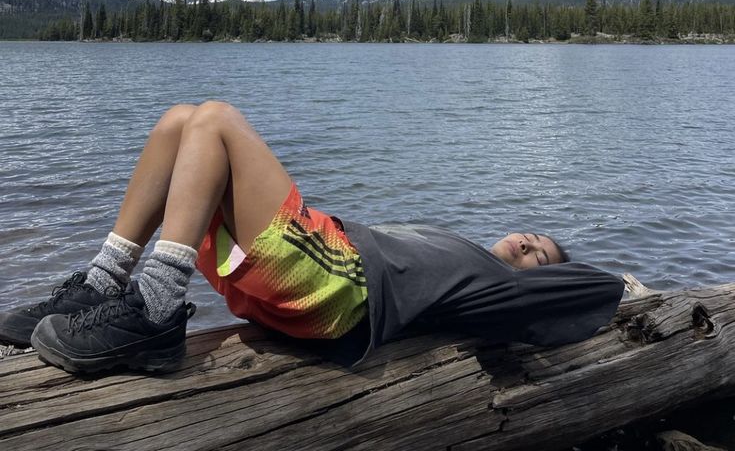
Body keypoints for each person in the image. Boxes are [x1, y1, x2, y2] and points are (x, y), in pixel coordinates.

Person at [0, 101, 625, 374]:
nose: (528, 240)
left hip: (337, 287)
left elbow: (588, 288)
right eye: (532, 233)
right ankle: (100, 285)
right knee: (177, 124)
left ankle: (157, 309)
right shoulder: (457, 251)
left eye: (540, 252)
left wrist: (620, 285)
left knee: (214, 118)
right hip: (307, 275)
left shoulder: (492, 289)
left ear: (536, 276)